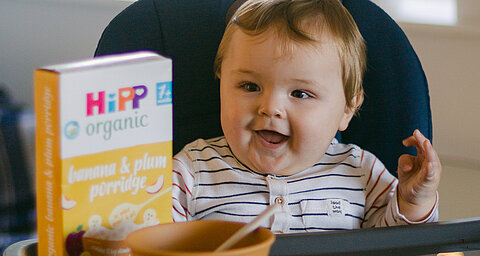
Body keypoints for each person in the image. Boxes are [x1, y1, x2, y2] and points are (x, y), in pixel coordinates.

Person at [171, 0, 441, 233]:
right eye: (250, 87)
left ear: (347, 108)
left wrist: (414, 203)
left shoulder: (361, 173)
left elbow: (399, 247)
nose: (270, 108)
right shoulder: (191, 173)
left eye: (300, 94)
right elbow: (146, 237)